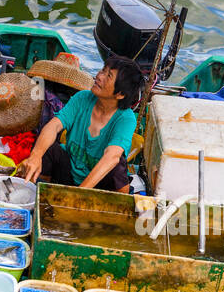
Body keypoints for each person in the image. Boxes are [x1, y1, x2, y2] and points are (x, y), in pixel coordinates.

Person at [21, 56, 144, 193]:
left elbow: (112, 156)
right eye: (103, 70)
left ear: (120, 94)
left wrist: (79, 193)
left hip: (98, 185)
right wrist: (36, 156)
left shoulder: (126, 119)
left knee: (117, 167)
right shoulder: (82, 98)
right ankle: (41, 191)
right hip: (70, 174)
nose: (99, 76)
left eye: (108, 76)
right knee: (49, 148)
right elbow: (54, 126)